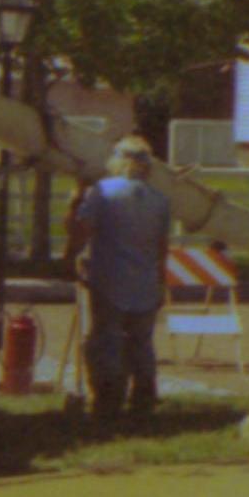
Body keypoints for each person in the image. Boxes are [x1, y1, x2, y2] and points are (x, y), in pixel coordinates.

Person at [65, 134, 177, 421]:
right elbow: (162, 247)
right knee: (141, 343)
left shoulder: (102, 192)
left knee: (107, 341)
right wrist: (161, 282)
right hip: (145, 282)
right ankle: (143, 399)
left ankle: (108, 400)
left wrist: (71, 250)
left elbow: (81, 231)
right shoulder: (159, 200)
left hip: (110, 280)